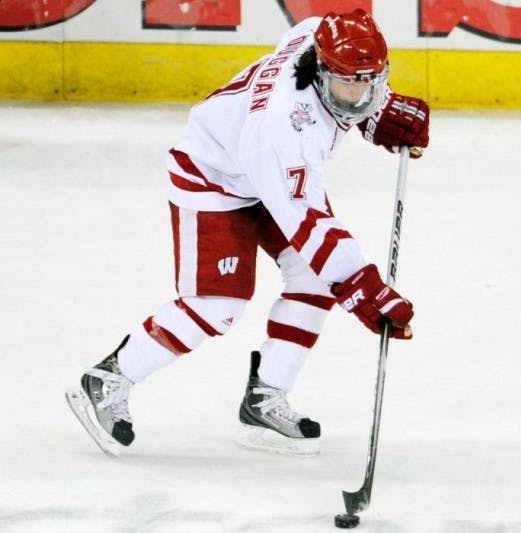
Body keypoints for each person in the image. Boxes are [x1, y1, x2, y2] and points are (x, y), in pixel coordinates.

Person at [65, 9, 430, 457]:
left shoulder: (315, 39)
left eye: (369, 83)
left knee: (315, 279)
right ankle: (108, 378)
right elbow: (310, 225)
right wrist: (365, 289)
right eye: (347, 85)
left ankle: (265, 396)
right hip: (212, 175)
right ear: (320, 71)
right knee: (218, 304)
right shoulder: (284, 132)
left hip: (258, 170)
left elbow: (325, 40)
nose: (358, 95)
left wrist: (377, 112)